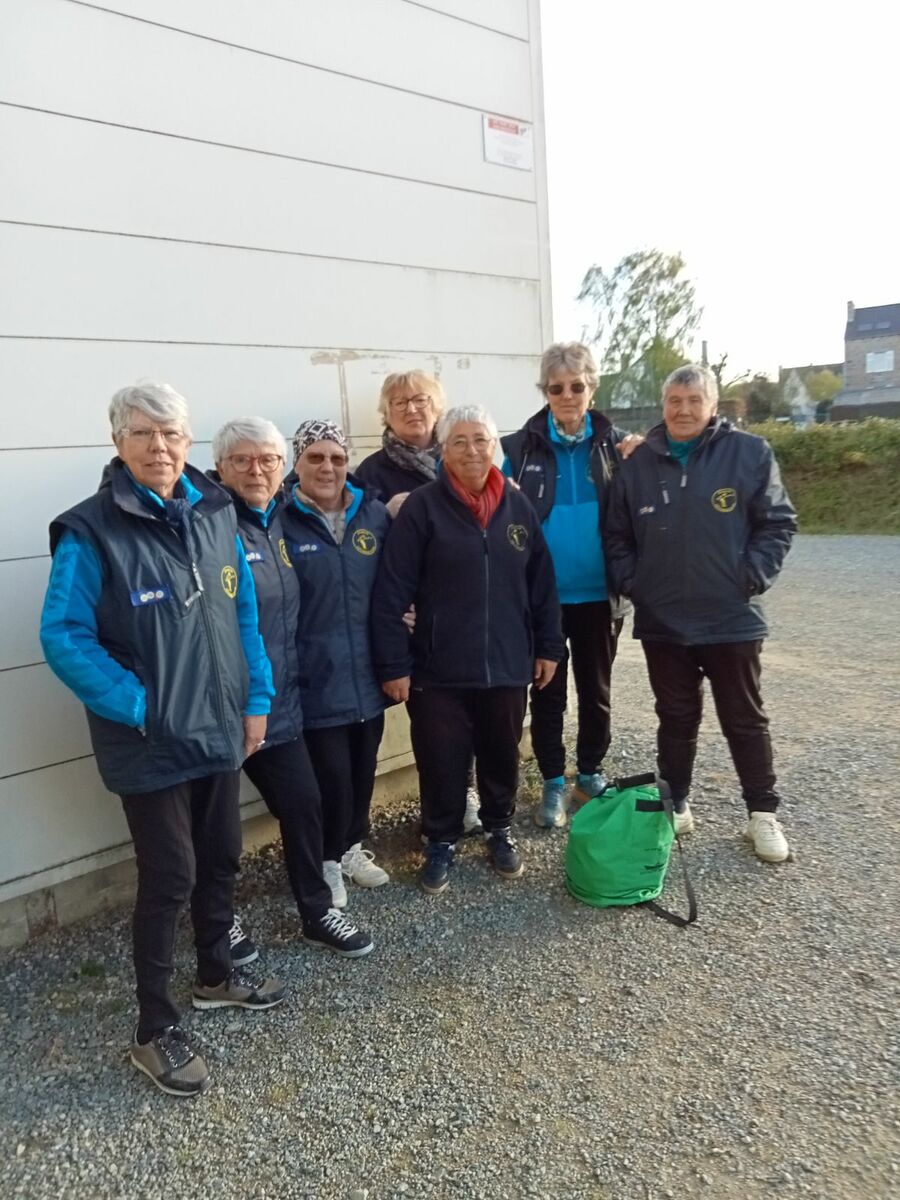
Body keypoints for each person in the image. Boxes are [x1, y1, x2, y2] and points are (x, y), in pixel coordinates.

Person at [40, 382, 285, 1098]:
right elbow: (63, 636)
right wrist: (140, 705)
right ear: (117, 442)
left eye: (172, 433)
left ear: (188, 440)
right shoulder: (91, 532)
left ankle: (214, 973)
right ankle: (154, 1029)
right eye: (144, 434)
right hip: (148, 741)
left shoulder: (215, 514)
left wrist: (256, 698)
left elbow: (241, 615)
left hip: (219, 727)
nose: (160, 448)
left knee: (223, 856)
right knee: (169, 876)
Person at [605, 364, 798, 862]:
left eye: (694, 400)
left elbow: (777, 523)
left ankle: (762, 815)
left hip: (731, 617)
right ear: (663, 405)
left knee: (744, 718)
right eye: (674, 400)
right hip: (664, 622)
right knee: (675, 716)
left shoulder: (749, 453)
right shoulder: (638, 464)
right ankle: (678, 803)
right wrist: (637, 586)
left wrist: (749, 578)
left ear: (713, 405)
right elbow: (616, 537)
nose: (683, 410)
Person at [371, 405, 564, 895]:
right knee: (440, 757)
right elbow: (392, 591)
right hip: (437, 669)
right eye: (459, 441)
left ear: (494, 446)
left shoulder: (517, 509)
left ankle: (499, 828)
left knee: (501, 752)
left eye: (480, 440)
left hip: (505, 663)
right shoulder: (423, 508)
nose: (472, 450)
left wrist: (547, 647)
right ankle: (441, 837)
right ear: (443, 451)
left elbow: (541, 585)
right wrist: (394, 662)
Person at [211, 417, 373, 959]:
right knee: (215, 830)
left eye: (267, 460)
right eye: (243, 460)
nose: (257, 469)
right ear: (221, 467)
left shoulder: (277, 522)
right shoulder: (208, 525)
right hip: (220, 707)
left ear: (283, 469)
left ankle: (315, 909)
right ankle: (218, 923)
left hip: (277, 707)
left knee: (305, 804)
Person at [501, 341, 640, 829]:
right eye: (556, 388)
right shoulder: (516, 449)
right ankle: (554, 781)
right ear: (545, 391)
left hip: (601, 596)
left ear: (592, 387)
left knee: (596, 690)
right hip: (542, 598)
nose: (567, 395)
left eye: (576, 386)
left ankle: (591, 773)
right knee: (548, 691)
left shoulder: (618, 446)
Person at [355, 373, 484, 837]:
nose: (412, 409)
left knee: (470, 717)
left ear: (438, 407)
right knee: (432, 726)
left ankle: (469, 797)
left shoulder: (466, 458)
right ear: (386, 415)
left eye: (421, 400)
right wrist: (385, 511)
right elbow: (358, 547)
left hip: (468, 612)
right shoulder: (370, 474)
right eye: (399, 402)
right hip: (413, 620)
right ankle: (438, 819)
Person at [281, 420, 392, 909]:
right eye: (316, 458)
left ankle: (349, 850)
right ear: (297, 463)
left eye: (337, 458)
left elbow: (398, 580)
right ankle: (326, 860)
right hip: (315, 676)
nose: (328, 467)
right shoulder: (280, 520)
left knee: (364, 768)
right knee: (331, 776)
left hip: (369, 672)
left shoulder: (373, 514)